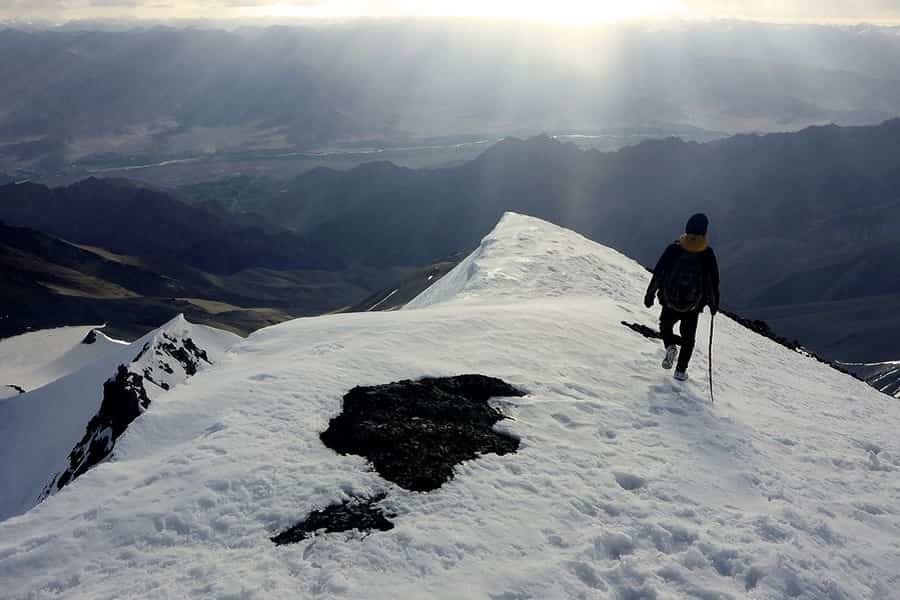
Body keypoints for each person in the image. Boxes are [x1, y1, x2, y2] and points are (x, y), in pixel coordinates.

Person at [644, 213, 720, 381]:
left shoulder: (674, 249)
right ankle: (680, 370)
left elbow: (659, 272)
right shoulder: (706, 253)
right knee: (688, 338)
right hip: (693, 306)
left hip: (669, 301)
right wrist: (713, 304)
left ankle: (670, 346)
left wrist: (650, 294)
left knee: (665, 326)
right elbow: (712, 281)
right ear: (704, 232)